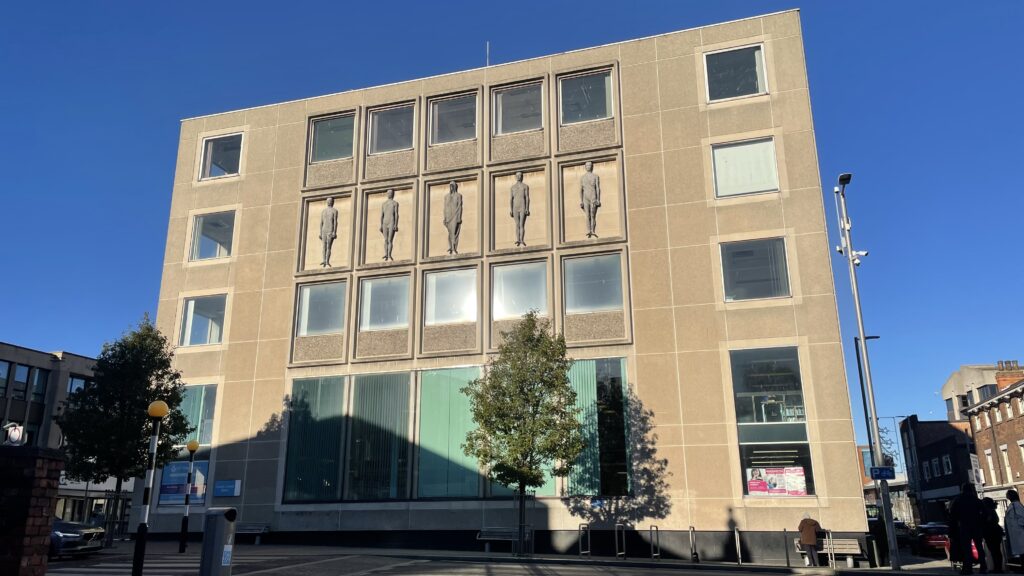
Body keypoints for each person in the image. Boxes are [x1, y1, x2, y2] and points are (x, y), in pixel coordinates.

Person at [951, 483, 988, 574]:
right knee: (979, 547)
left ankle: (968, 568)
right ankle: (983, 567)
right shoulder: (976, 500)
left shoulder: (958, 499)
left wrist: (957, 522)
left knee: (966, 548)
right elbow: (985, 513)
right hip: (976, 526)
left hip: (964, 526)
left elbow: (952, 513)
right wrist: (980, 521)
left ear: (962, 489)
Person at [579, 161, 601, 238]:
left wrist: (598, 199)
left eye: (590, 165)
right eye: (587, 165)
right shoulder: (582, 177)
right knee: (587, 215)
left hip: (593, 196)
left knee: (592, 215)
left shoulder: (595, 176)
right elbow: (581, 190)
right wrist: (581, 201)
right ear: (585, 167)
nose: (588, 167)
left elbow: (597, 188)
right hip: (585, 197)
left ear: (592, 166)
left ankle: (593, 230)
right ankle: (588, 230)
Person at [982, 497, 1005, 573]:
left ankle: (997, 568)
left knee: (994, 551)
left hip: (991, 533)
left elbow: (989, 522)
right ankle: (998, 568)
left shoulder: (988, 511)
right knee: (996, 551)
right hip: (995, 533)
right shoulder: (992, 510)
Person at [1005, 490, 1024, 571]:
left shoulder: (1016, 505)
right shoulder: (1014, 505)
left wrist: (1018, 525)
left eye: (1008, 495)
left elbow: (1022, 517)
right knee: (1021, 552)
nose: (1007, 496)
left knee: (1022, 551)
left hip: (1020, 532)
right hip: (1017, 533)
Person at [509, 171, 530, 246]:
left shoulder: (525, 186)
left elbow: (527, 197)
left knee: (521, 224)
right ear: (515, 177)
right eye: (517, 175)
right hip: (515, 207)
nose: (518, 177)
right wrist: (511, 209)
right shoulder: (512, 187)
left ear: (522, 177)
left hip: (522, 206)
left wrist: (527, 208)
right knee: (517, 224)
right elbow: (511, 199)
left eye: (520, 175)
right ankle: (518, 239)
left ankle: (521, 240)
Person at [443, 181, 463, 254]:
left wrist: (459, 217)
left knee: (454, 232)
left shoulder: (458, 195)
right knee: (450, 233)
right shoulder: (446, 196)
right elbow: (445, 207)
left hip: (455, 216)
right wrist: (445, 218)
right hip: (448, 217)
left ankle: (453, 247)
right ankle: (451, 246)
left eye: (453, 186)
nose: (451, 187)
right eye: (450, 186)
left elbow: (459, 206)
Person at [380, 189, 399, 261]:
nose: (389, 194)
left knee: (390, 240)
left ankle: (389, 254)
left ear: (393, 194)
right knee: (386, 240)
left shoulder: (395, 203)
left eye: (391, 193)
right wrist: (381, 225)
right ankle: (386, 253)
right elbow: (382, 215)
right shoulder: (384, 204)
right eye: (388, 193)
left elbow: (396, 214)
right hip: (385, 222)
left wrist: (395, 224)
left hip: (391, 221)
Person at [319, 197, 338, 267]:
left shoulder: (334, 211)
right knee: (324, 246)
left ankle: (327, 261)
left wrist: (334, 232)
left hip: (330, 229)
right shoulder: (323, 211)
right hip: (324, 230)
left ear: (332, 202)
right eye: (328, 201)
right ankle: (324, 260)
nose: (329, 202)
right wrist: (320, 232)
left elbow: (335, 221)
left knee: (328, 246)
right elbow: (321, 222)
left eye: (330, 201)